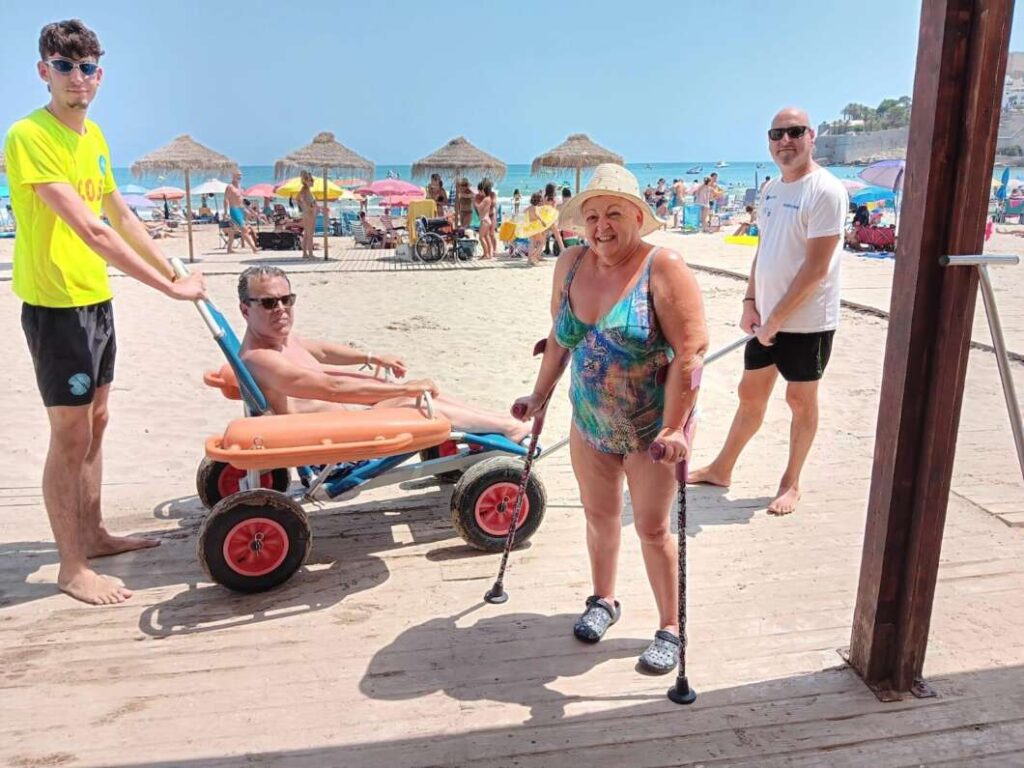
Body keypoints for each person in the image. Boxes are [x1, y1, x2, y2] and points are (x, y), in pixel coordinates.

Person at [3, 19, 207, 605]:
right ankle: (72, 567)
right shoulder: (28, 135)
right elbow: (89, 228)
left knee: (98, 424)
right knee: (68, 434)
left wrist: (174, 271)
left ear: (100, 74)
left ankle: (92, 534)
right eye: (64, 67)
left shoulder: (93, 138)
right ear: (44, 71)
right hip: (56, 305)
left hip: (95, 300)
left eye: (87, 67)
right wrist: (167, 291)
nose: (77, 78)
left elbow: (122, 216)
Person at [512, 163, 708, 674]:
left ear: (638, 216)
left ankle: (670, 625)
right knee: (599, 519)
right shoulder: (572, 264)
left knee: (651, 528)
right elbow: (559, 336)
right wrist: (538, 395)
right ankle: (604, 600)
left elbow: (691, 352)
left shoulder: (663, 267)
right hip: (590, 423)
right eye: (592, 215)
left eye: (614, 214)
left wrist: (674, 427)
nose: (601, 225)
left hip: (652, 430)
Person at [689, 107, 848, 516]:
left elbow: (816, 268)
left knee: (800, 399)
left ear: (811, 136)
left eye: (794, 132)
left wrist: (777, 319)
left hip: (808, 322)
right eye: (777, 134)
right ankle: (722, 468)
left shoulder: (825, 191)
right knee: (749, 394)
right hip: (764, 320)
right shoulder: (772, 190)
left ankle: (790, 481)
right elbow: (765, 250)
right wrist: (749, 302)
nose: (785, 141)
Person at [236, 266, 529, 443]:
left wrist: (372, 358)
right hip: (333, 441)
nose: (281, 309)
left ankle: (501, 423)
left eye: (287, 299)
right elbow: (331, 388)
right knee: (415, 397)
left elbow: (323, 351)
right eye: (269, 303)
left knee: (420, 393)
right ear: (245, 309)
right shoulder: (260, 357)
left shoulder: (280, 340)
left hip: (343, 422)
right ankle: (507, 428)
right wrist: (401, 388)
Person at [224, 171, 259, 254]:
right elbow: (225, 199)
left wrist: (252, 212)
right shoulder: (230, 187)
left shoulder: (240, 188)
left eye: (241, 175)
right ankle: (254, 248)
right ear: (233, 176)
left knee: (232, 230)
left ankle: (229, 249)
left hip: (241, 209)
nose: (240, 177)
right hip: (234, 210)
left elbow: (243, 202)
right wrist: (225, 212)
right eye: (238, 175)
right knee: (244, 229)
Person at [296, 170, 316, 259]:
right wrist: (306, 207)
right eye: (310, 180)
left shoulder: (307, 190)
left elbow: (299, 199)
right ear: (306, 181)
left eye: (312, 180)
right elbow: (298, 199)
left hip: (309, 212)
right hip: (308, 213)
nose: (312, 182)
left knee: (307, 234)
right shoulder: (304, 189)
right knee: (309, 233)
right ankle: (310, 253)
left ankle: (305, 253)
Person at [475, 179, 495, 260]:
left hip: (485, 220)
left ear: (483, 190)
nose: (479, 193)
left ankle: (485, 254)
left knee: (481, 237)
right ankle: (489, 254)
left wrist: (475, 202)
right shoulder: (489, 198)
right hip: (487, 220)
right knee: (486, 237)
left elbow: (479, 208)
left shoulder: (486, 199)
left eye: (479, 191)